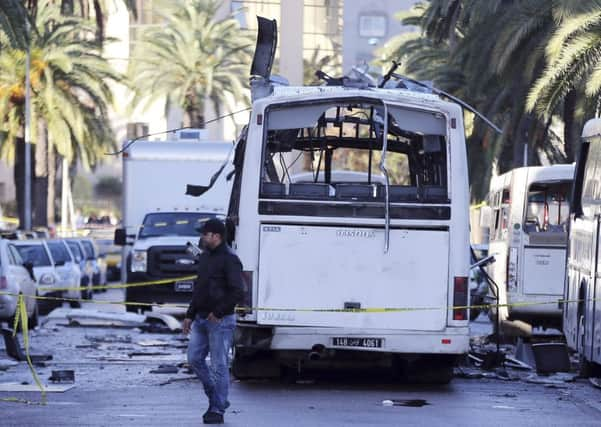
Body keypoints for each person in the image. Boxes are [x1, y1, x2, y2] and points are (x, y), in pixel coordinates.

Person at [183, 218, 244, 425]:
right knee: (194, 358)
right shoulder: (206, 257)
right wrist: (190, 314)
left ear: (216, 236)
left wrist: (219, 312)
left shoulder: (230, 259)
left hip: (221, 321)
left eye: (205, 234)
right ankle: (215, 396)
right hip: (200, 319)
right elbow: (199, 288)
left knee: (219, 365)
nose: (202, 237)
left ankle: (217, 409)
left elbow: (238, 291)